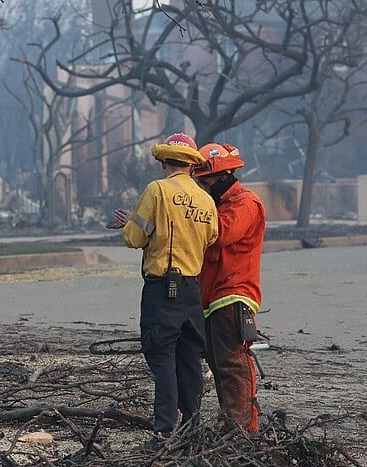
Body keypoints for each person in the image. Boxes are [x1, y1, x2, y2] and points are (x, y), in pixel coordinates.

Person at [108, 132, 218, 439]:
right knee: (189, 359)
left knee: (162, 356)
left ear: (163, 162)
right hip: (192, 291)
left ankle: (164, 431)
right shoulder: (205, 199)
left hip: (162, 290)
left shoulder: (157, 190)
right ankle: (191, 429)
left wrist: (131, 224)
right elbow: (210, 237)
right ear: (192, 165)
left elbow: (135, 238)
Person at [194, 142, 265, 433]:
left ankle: (242, 428)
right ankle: (232, 423)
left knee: (232, 363)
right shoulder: (219, 205)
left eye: (205, 180)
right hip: (213, 298)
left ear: (224, 176)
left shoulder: (245, 204)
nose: (202, 185)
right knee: (218, 361)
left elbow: (219, 234)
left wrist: (189, 216)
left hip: (233, 295)